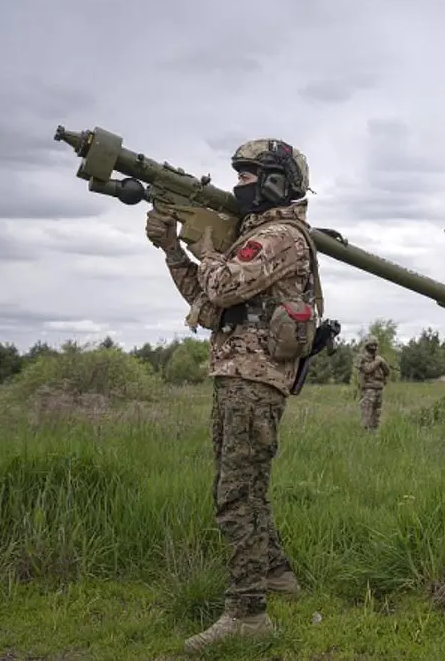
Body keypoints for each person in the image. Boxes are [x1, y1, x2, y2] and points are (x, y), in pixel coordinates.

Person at [145, 138, 323, 653]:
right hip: (238, 376)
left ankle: (247, 615)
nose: (239, 183)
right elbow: (206, 302)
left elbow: (220, 284)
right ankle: (278, 579)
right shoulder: (255, 236)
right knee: (247, 491)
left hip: (253, 381)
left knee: (235, 497)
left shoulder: (279, 237)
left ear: (274, 182)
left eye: (249, 175)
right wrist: (172, 249)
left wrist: (201, 245)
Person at [356, 336, 391, 430]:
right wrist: (378, 361)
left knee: (376, 413)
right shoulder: (362, 358)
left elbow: (387, 371)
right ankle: (365, 433)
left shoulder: (378, 358)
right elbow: (367, 369)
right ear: (367, 346)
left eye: (375, 345)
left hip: (379, 388)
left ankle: (374, 432)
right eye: (372, 345)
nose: (374, 347)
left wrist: (382, 362)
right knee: (367, 412)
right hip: (368, 389)